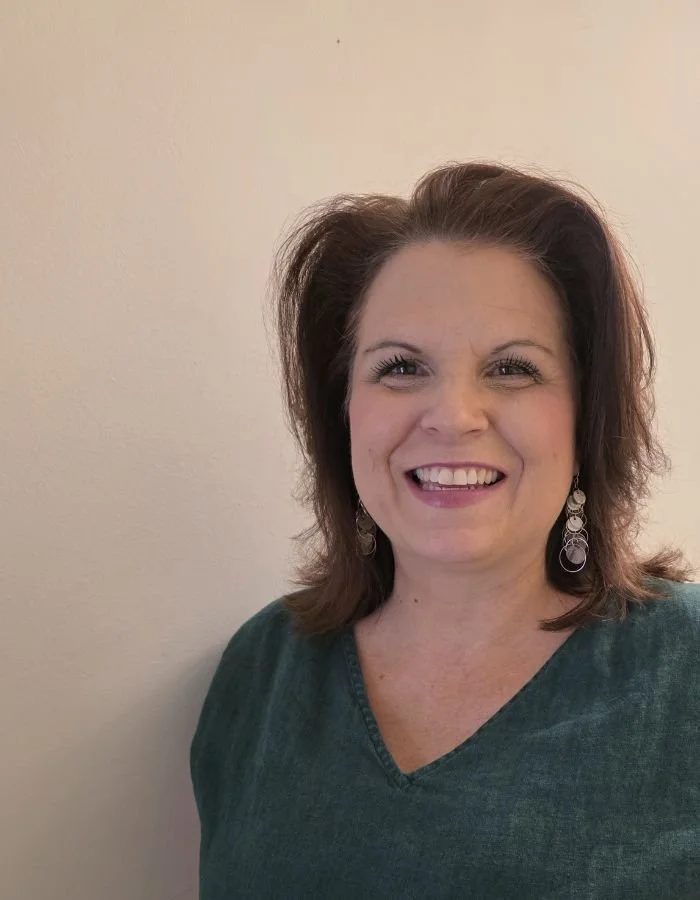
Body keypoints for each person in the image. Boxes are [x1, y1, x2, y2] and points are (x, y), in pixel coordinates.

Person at [190, 162, 699, 899]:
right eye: (401, 367)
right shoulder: (261, 674)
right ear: (343, 410)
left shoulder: (684, 671)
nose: (454, 416)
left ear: (586, 416)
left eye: (513, 369)